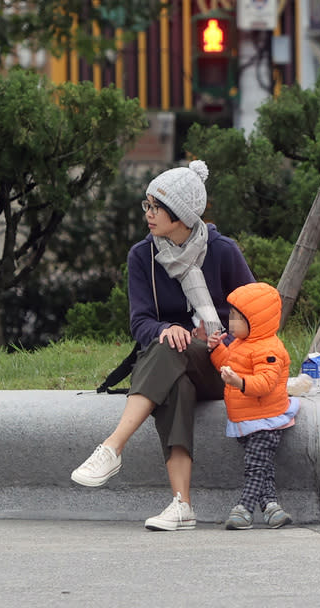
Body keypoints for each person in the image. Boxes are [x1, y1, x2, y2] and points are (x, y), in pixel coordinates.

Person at [71, 159, 254, 531]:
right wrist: (165, 328)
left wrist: (223, 336)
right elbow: (140, 322)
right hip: (172, 362)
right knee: (176, 381)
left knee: (173, 348)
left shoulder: (223, 251)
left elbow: (257, 312)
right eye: (147, 205)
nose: (149, 215)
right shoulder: (142, 255)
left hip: (224, 365)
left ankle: (113, 447)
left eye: (156, 207)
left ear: (182, 216)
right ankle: (182, 504)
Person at [206, 281, 298, 530]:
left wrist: (239, 381)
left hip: (265, 418)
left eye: (236, 318)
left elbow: (266, 383)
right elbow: (229, 363)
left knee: (255, 467)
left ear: (256, 321)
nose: (230, 322)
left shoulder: (269, 349)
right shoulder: (241, 344)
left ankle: (244, 509)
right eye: (231, 316)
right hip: (247, 417)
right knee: (263, 466)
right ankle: (272, 508)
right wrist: (216, 349)